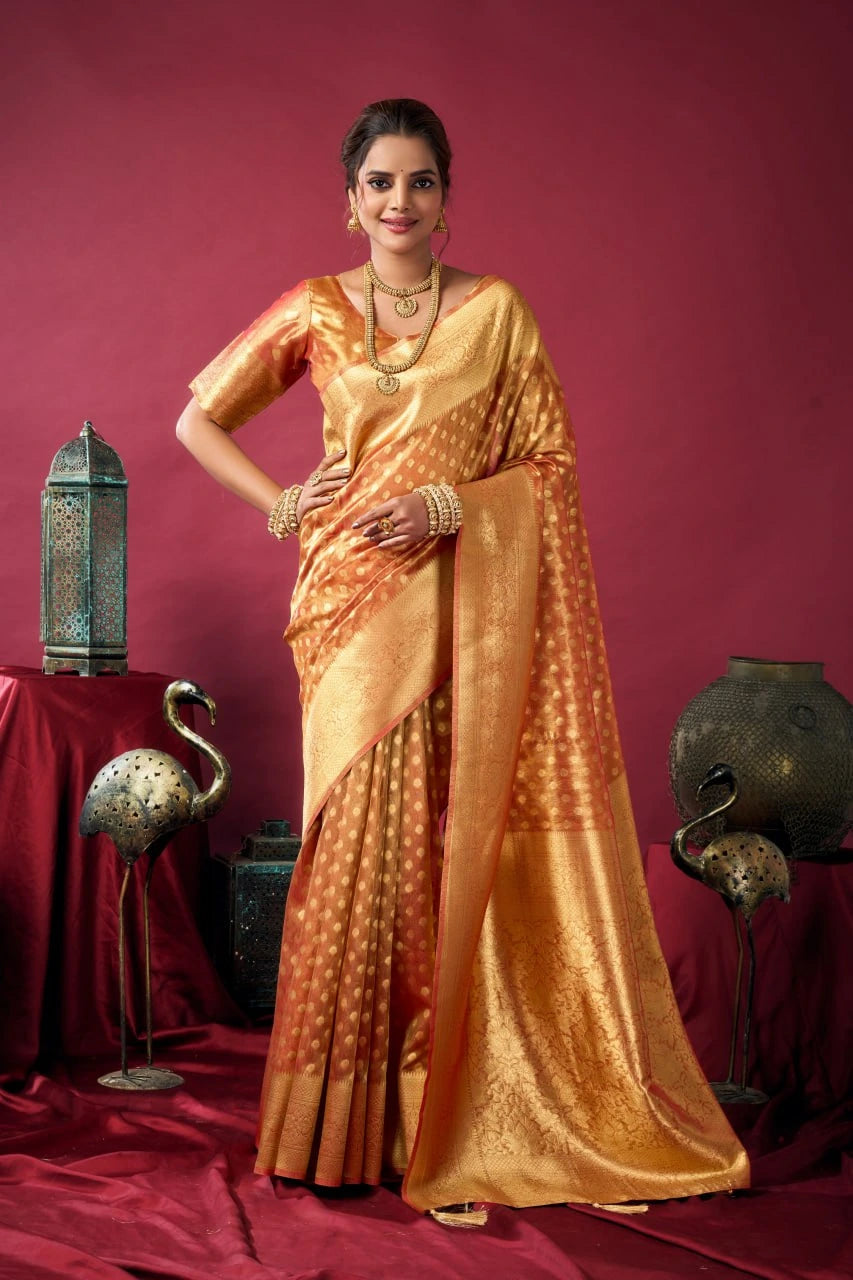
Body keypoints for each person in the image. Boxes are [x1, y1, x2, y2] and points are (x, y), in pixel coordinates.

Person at [177, 98, 749, 1217]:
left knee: (434, 855)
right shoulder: (313, 309)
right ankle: (331, 1126)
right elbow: (198, 418)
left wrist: (449, 503)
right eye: (379, 182)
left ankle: (429, 1112)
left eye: (421, 181)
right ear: (348, 201)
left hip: (453, 610)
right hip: (344, 606)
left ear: (447, 197)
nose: (400, 201)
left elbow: (548, 462)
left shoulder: (495, 313)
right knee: (352, 854)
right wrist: (284, 502)